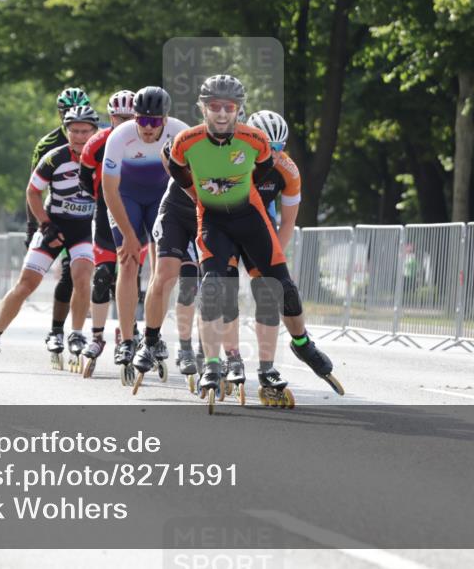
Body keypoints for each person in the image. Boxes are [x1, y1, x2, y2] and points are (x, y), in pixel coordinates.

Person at [168, 75, 343, 412]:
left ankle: (301, 345)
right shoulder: (185, 142)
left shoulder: (257, 142)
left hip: (252, 221)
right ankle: (214, 363)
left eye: (229, 107)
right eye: (214, 106)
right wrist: (201, 197)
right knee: (214, 289)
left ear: (239, 110)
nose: (221, 113)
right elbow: (177, 170)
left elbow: (265, 176)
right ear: (202, 108)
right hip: (214, 223)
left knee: (282, 290)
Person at [0, 106, 99, 372]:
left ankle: (76, 333)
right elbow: (32, 191)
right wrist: (44, 223)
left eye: (85, 131)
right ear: (66, 131)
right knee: (26, 283)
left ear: (95, 132)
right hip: (54, 226)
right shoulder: (53, 158)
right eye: (74, 131)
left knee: (82, 277)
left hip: (83, 229)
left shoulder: (102, 158)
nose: (80, 137)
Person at [100, 86, 188, 381]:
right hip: (126, 198)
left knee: (162, 271)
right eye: (142, 121)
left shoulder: (180, 132)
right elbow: (109, 189)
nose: (148, 129)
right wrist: (128, 234)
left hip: (162, 198)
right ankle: (126, 340)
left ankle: (153, 334)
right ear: (134, 118)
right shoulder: (120, 136)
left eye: (155, 122)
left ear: (165, 119)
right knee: (127, 261)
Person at [219, 110, 302, 404]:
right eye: (267, 146)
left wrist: (274, 263)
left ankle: (267, 369)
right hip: (223, 225)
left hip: (259, 226)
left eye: (279, 148)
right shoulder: (225, 155)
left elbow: (288, 221)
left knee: (269, 291)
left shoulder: (286, 169)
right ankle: (231, 359)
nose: (273, 154)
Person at [77, 89, 138, 377]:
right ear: (110, 117)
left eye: (129, 117)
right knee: (103, 275)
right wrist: (101, 199)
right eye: (118, 117)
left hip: (138, 211)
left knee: (131, 274)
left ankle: (130, 332)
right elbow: (83, 174)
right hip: (106, 212)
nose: (123, 122)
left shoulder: (147, 140)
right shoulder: (97, 143)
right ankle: (97, 336)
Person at [28, 87, 92, 356]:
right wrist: (36, 226)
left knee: (74, 275)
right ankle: (56, 330)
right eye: (66, 113)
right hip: (53, 216)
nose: (76, 130)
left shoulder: (94, 141)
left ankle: (73, 332)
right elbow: (33, 188)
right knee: (63, 275)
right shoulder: (47, 145)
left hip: (84, 220)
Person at [133, 136, 200, 394]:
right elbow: (165, 153)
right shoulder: (193, 139)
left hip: (202, 215)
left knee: (190, 282)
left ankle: (185, 347)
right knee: (164, 277)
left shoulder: (237, 151)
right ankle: (149, 341)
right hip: (174, 211)